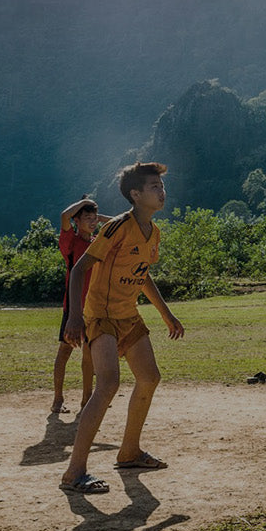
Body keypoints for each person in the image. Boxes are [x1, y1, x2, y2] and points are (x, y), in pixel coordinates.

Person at [59, 162, 184, 494]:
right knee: (108, 384)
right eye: (154, 187)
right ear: (135, 194)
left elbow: (142, 275)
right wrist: (74, 317)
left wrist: (166, 314)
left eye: (161, 186)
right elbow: (78, 270)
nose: (161, 191)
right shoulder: (117, 227)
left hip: (128, 315)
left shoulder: (153, 233)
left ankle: (129, 452)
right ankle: (75, 472)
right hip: (101, 315)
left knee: (150, 377)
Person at [52, 196, 100, 414]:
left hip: (95, 307)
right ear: (77, 222)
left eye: (94, 218)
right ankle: (58, 399)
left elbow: (114, 223)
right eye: (87, 218)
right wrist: (85, 203)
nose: (92, 221)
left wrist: (93, 213)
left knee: (89, 353)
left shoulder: (98, 242)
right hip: (73, 308)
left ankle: (87, 400)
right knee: (65, 351)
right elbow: (64, 215)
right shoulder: (71, 242)